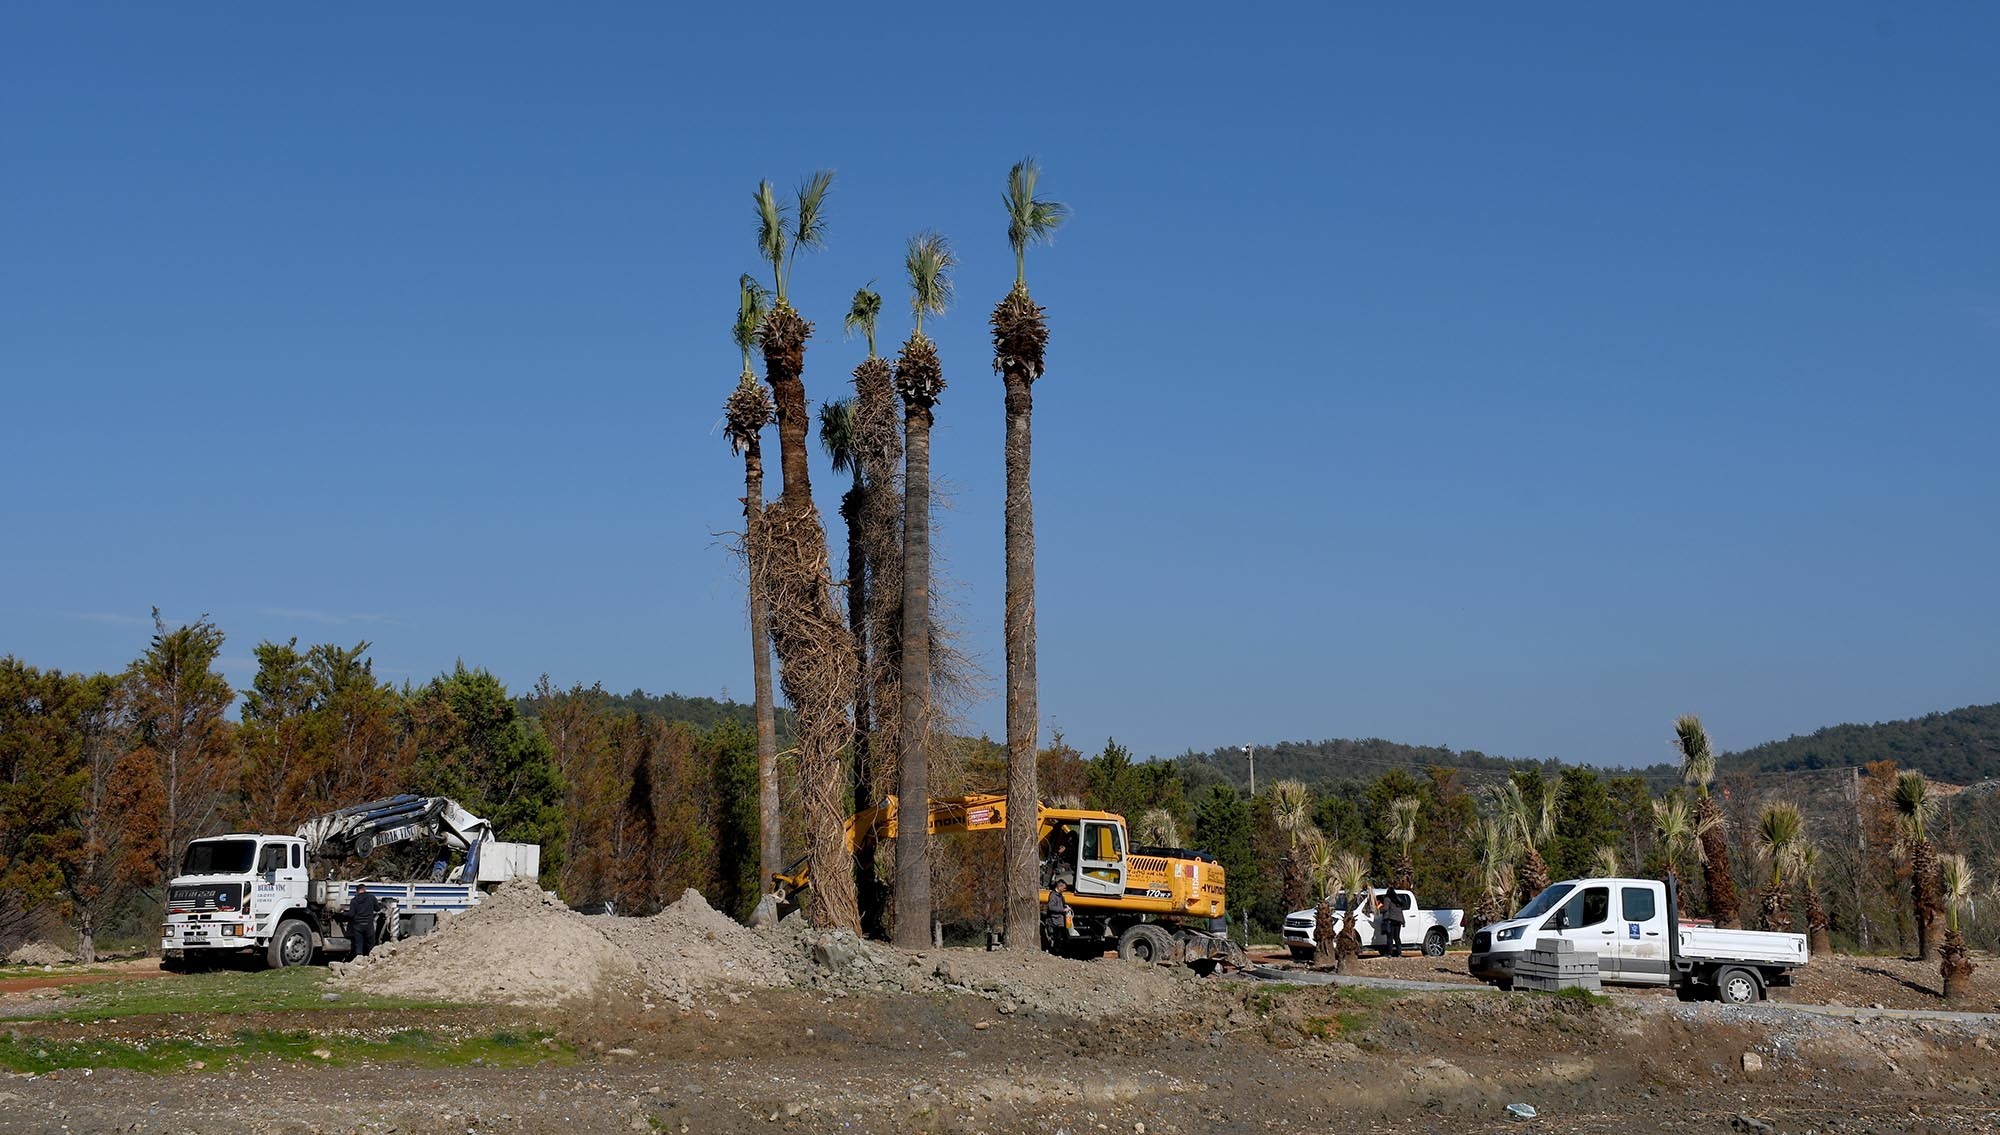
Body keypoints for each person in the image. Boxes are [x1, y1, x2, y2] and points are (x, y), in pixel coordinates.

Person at [349, 884, 379, 958]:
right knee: (371, 943)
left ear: (357, 891)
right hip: (368, 924)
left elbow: (351, 914)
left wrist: (343, 913)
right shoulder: (371, 897)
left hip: (358, 925)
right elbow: (377, 909)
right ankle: (371, 959)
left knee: (359, 943)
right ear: (364, 889)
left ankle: (359, 959)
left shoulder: (354, 900)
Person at [1041, 880, 1070, 952]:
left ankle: (1055, 950)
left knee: (1059, 937)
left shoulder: (1060, 896)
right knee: (1055, 937)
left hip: (1058, 921)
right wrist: (1063, 910)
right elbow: (1051, 907)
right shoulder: (1053, 895)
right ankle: (1053, 950)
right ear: (1059, 887)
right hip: (1054, 921)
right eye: (1064, 888)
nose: (1065, 890)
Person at [1376, 886, 1405, 957]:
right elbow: (1400, 911)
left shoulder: (1387, 898)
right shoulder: (1397, 899)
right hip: (1398, 921)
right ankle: (1399, 953)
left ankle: (1389, 953)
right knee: (1397, 937)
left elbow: (1385, 908)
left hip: (1391, 920)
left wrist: (1378, 910)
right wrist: (1403, 921)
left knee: (1390, 937)